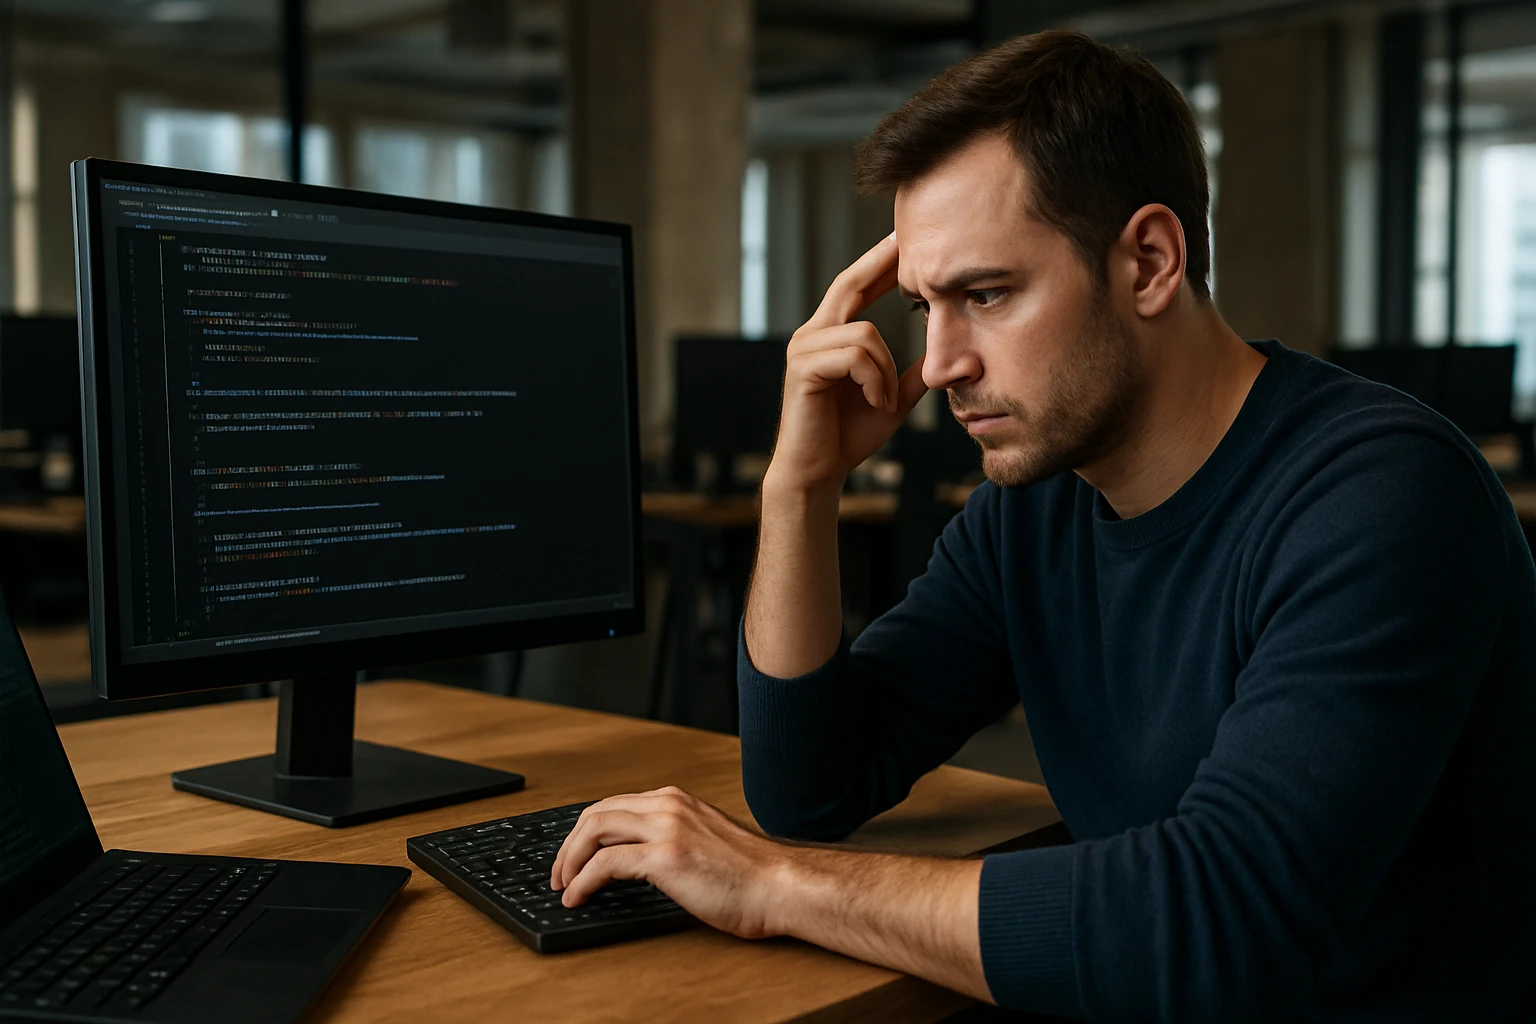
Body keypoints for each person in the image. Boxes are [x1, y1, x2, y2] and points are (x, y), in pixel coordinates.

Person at [549, 29, 1536, 1021]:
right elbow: (812, 781)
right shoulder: (1033, 509)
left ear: (1149, 260)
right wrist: (800, 487)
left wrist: (773, 885)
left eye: (985, 294)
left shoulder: (1383, 494)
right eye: (927, 304)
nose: (937, 365)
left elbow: (1220, 925)